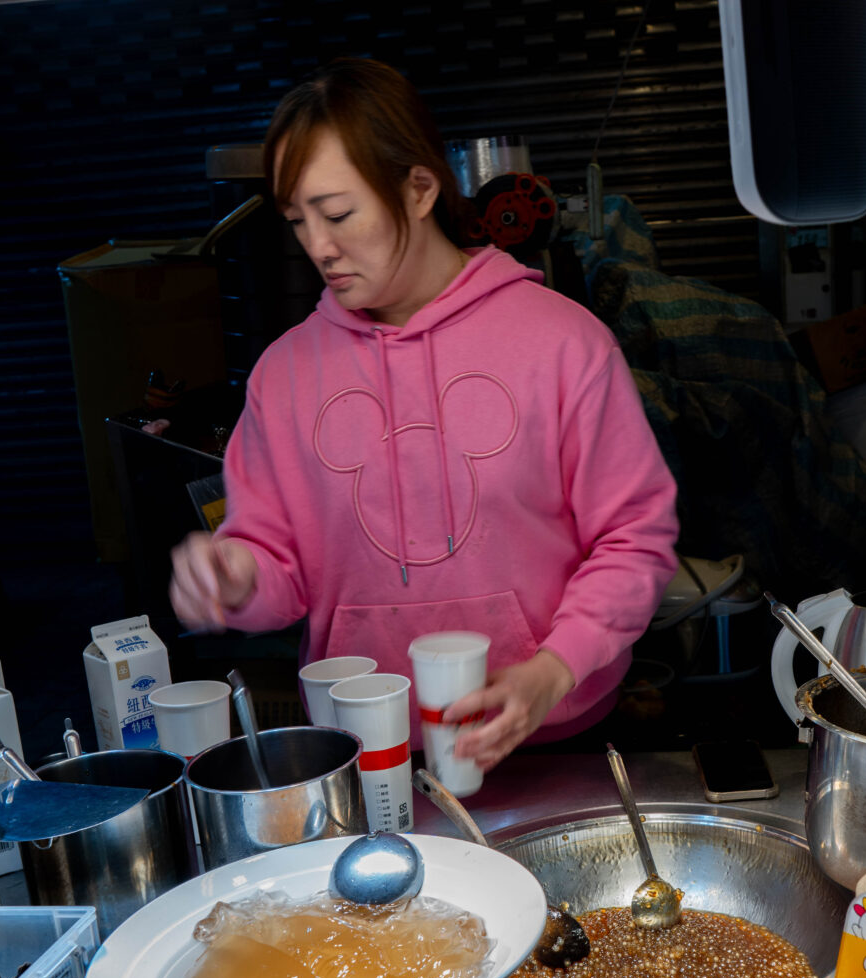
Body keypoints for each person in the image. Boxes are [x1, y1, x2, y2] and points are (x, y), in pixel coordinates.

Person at [169, 58, 679, 772]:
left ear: (418, 188)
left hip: (554, 742)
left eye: (338, 213)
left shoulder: (563, 343)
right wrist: (236, 576)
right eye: (297, 220)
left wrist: (554, 670)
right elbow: (279, 566)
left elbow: (635, 538)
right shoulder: (283, 375)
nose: (318, 245)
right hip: (365, 755)